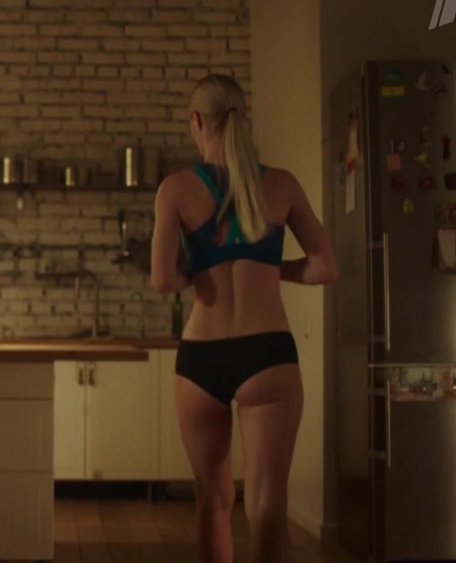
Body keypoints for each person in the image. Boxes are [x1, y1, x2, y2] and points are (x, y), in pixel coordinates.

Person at [150, 74, 338, 563]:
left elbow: (163, 280)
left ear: (196, 121)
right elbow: (325, 268)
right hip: (267, 355)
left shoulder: (176, 189)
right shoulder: (281, 184)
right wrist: (270, 268)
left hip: (202, 358)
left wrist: (202, 271)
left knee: (212, 502)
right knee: (268, 508)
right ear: (241, 116)